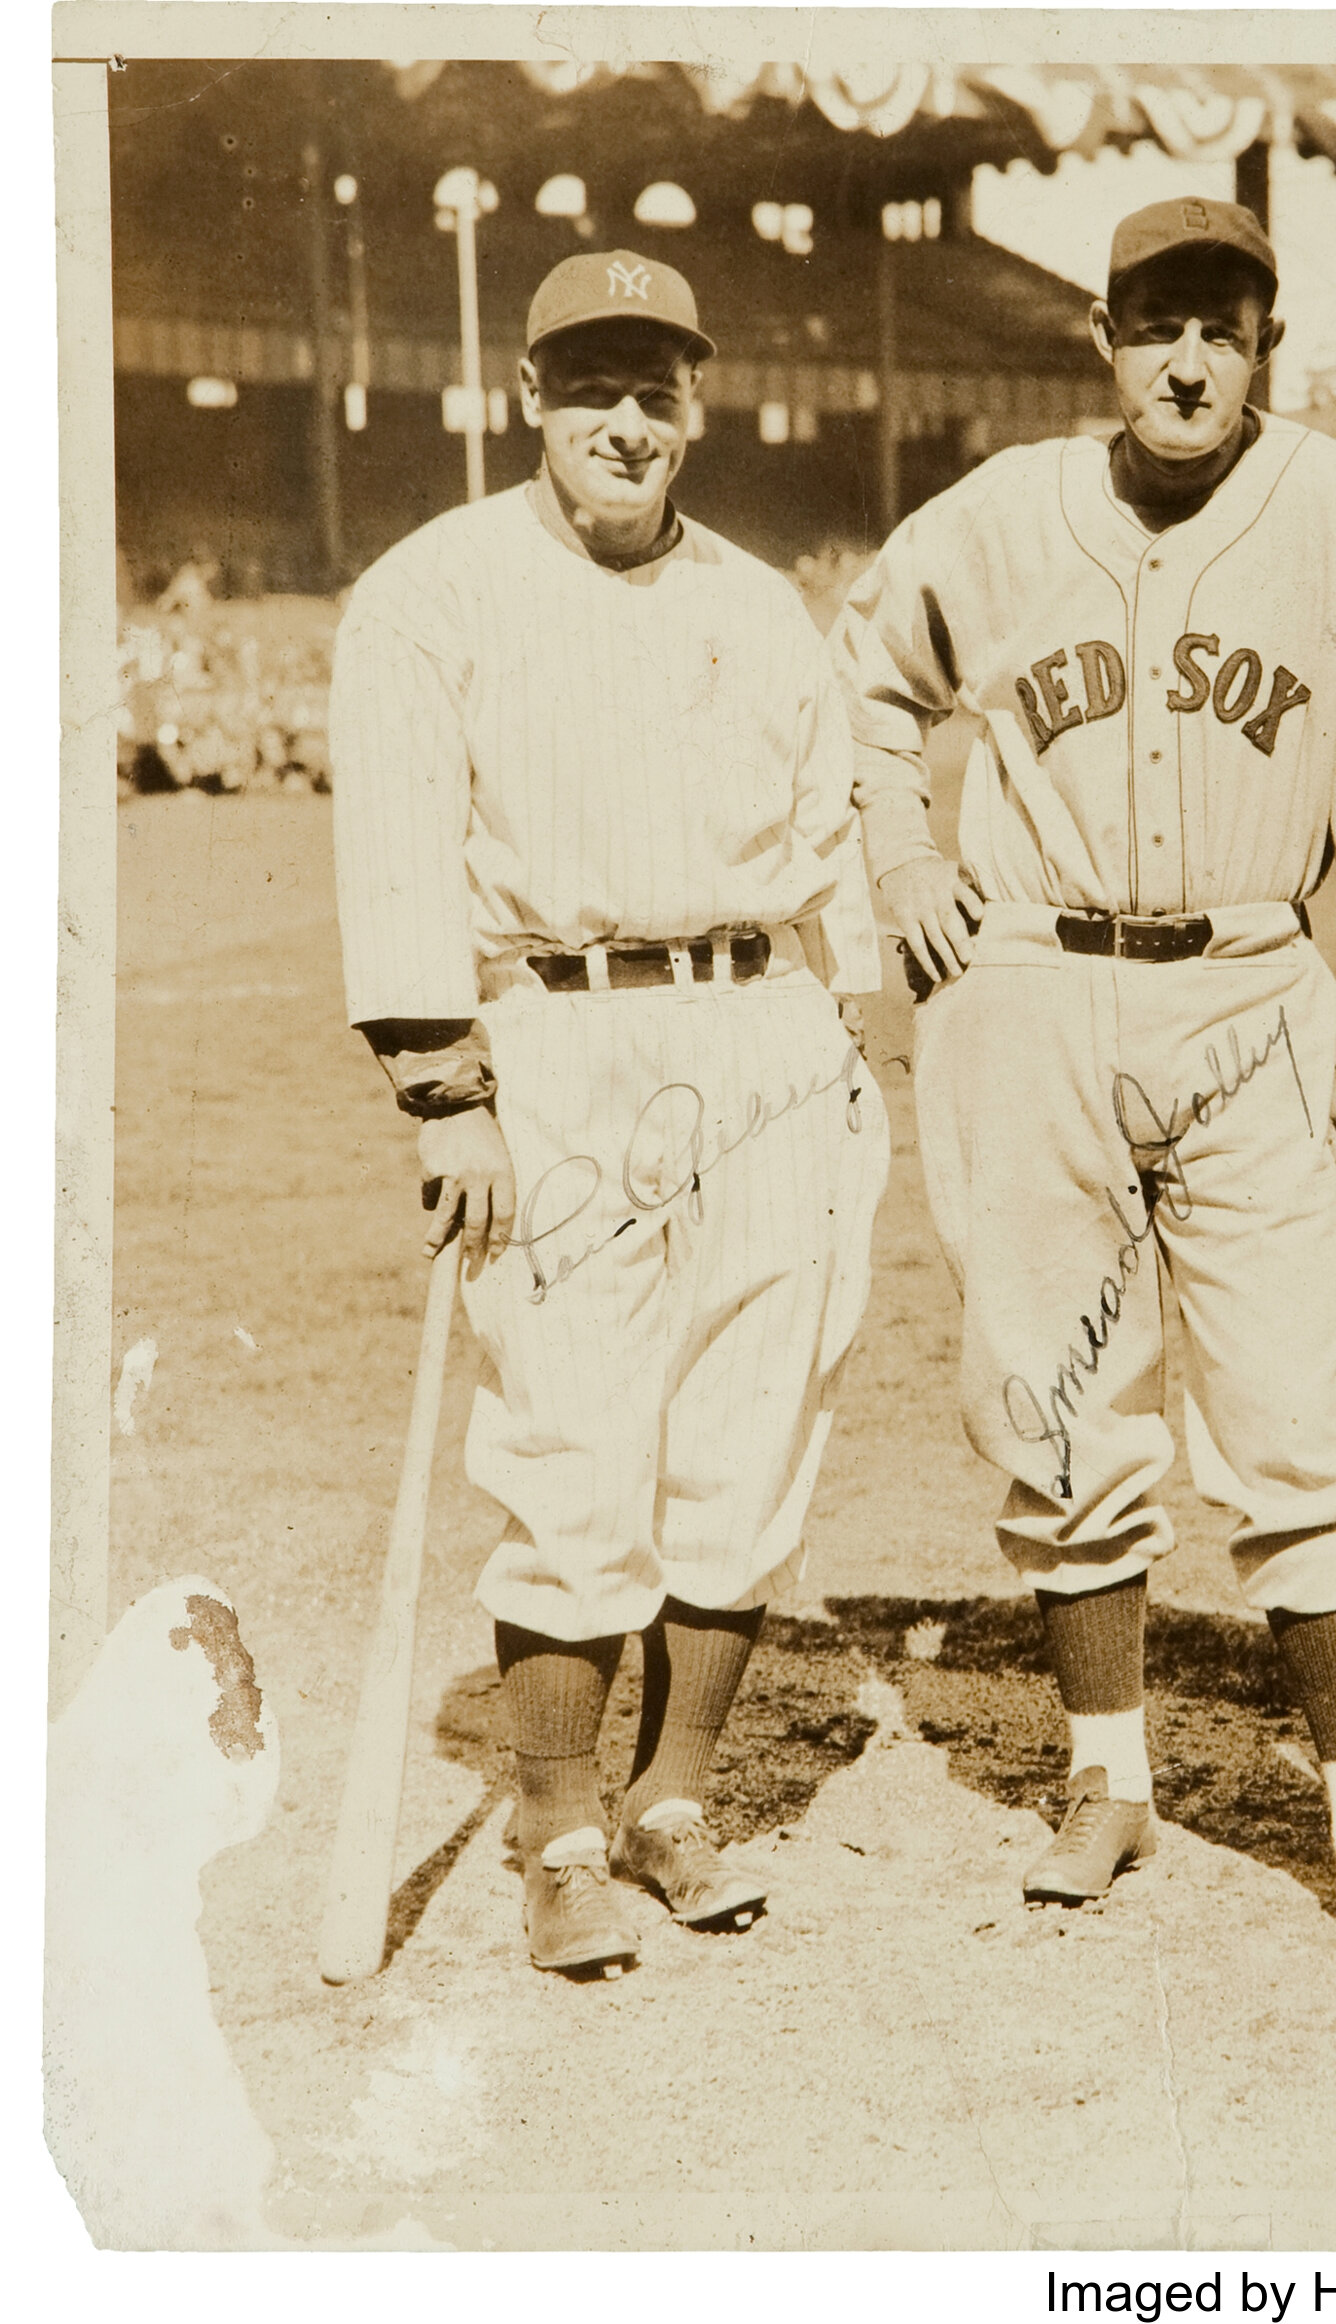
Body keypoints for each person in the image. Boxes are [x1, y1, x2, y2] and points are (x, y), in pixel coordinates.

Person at [830, 199, 1336, 1972]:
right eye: (1156, 325)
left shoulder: (1331, 502)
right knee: (1051, 1394)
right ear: (1104, 339)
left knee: (1294, 1413)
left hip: (1253, 980)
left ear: (1270, 347)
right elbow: (872, 681)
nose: (1190, 361)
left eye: (1226, 328)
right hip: (1026, 982)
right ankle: (1107, 1777)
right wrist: (898, 863)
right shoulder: (1004, 510)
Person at [330, 251, 891, 1976]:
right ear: (529, 398)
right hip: (560, 1043)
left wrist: (847, 1034)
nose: (626, 421)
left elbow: (834, 829)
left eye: (656, 388)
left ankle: (674, 1796)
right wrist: (447, 1097)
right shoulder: (430, 593)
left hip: (771, 1033)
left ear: (696, 405)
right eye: (592, 387)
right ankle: (558, 1822)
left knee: (749, 1436)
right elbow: (402, 852)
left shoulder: (758, 600)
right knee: (576, 1446)